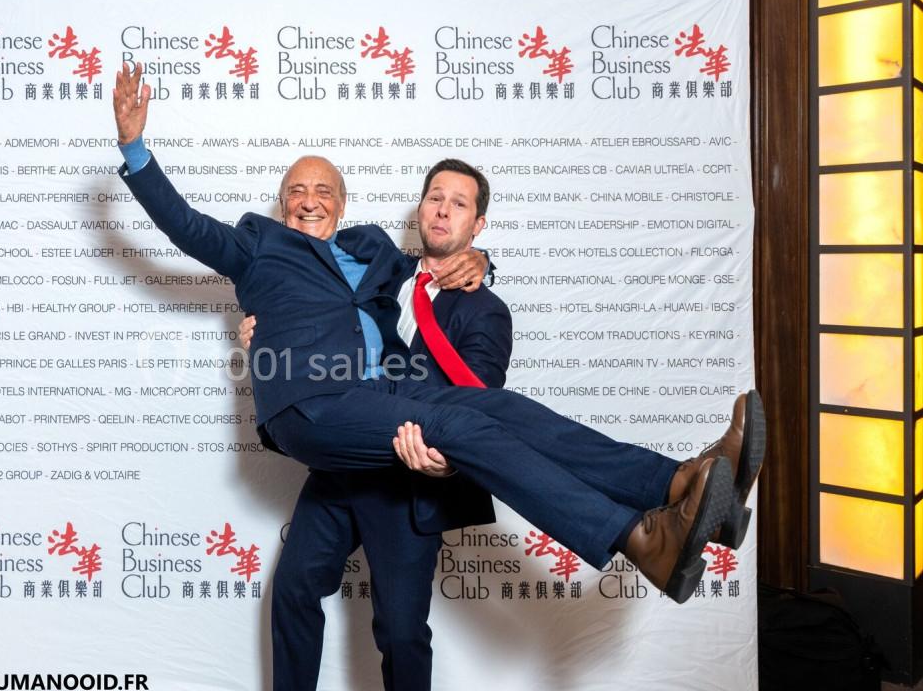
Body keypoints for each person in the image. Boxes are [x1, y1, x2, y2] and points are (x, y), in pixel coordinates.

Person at [109, 61, 762, 608]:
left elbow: (437, 264)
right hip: (312, 401)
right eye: (296, 191)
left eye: (324, 190)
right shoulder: (255, 246)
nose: (309, 198)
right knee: (468, 432)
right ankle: (642, 540)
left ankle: (680, 484)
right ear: (281, 206)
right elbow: (185, 226)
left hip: (377, 398)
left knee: (498, 409)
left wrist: (479, 260)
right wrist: (136, 150)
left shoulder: (370, 254)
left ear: (340, 204)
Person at [221, 159, 512, 691]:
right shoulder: (390, 275)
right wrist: (266, 333)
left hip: (409, 479)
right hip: (344, 463)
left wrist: (485, 265)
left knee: (401, 629)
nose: (441, 210)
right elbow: (323, 312)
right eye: (435, 197)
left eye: (458, 204)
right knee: (296, 587)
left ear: (477, 223)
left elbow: (481, 398)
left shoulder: (484, 310)